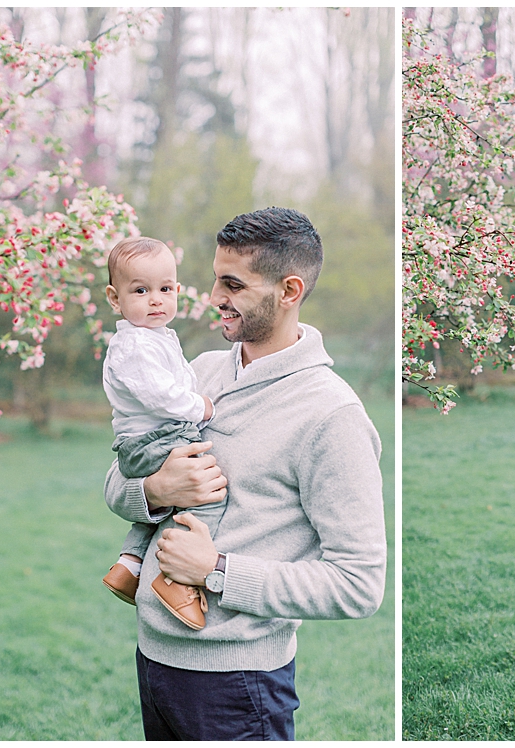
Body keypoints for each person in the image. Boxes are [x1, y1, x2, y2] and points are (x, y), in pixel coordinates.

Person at [103, 207, 387, 741]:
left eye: (233, 284)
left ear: (289, 290)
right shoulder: (199, 370)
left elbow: (359, 585)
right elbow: (117, 480)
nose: (213, 296)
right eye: (215, 278)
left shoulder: (331, 415)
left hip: (238, 685)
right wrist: (155, 491)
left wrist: (216, 570)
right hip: (154, 660)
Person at [100, 236, 219, 631]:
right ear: (115, 299)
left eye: (165, 289)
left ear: (178, 291)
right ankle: (177, 580)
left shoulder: (155, 337)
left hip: (154, 438)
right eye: (140, 290)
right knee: (201, 492)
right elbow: (160, 395)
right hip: (152, 441)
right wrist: (198, 406)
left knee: (166, 504)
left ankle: (130, 565)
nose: (155, 300)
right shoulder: (133, 344)